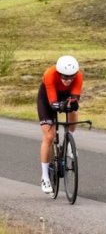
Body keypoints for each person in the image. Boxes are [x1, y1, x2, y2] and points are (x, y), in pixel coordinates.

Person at [37, 55, 84, 194]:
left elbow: (74, 98)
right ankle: (45, 177)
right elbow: (52, 103)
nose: (68, 80)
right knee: (49, 137)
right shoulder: (50, 74)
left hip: (65, 96)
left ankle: (70, 140)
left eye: (71, 77)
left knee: (73, 109)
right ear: (58, 73)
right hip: (47, 98)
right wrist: (59, 105)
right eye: (64, 77)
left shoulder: (78, 77)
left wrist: (72, 103)